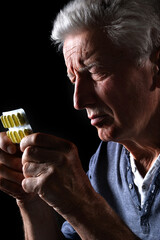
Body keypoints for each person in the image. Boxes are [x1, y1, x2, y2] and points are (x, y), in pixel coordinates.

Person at [0, 0, 160, 239]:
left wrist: (82, 205)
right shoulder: (106, 160)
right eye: (73, 79)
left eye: (97, 72)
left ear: (156, 66)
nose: (79, 101)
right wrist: (32, 200)